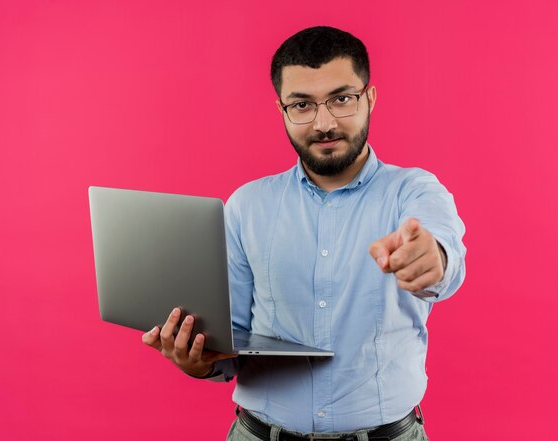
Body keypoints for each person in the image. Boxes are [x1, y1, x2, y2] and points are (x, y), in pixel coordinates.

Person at [142, 26, 466, 441]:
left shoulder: (415, 191)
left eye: (342, 99)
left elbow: (444, 255)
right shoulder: (246, 205)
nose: (324, 122)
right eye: (302, 105)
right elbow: (233, 338)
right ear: (281, 110)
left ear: (370, 98)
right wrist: (199, 360)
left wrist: (431, 259)